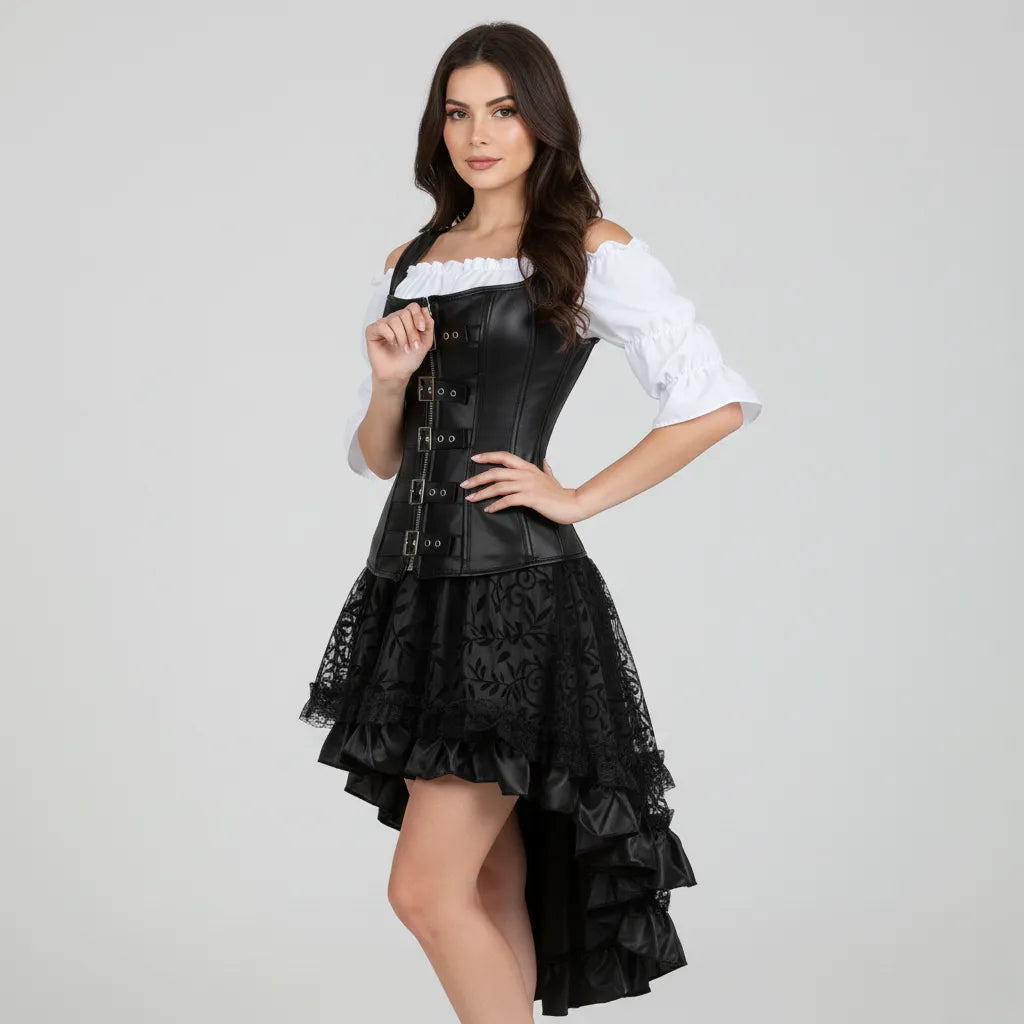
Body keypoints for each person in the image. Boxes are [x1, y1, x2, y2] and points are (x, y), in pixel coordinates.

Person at [299, 21, 762, 1022]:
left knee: (425, 893)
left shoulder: (586, 249)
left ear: (542, 120)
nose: (479, 134)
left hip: (514, 600)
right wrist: (391, 382)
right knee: (487, 883)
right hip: (412, 600)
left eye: (503, 111)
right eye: (459, 112)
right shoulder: (410, 260)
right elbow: (380, 455)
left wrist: (576, 495)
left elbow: (712, 401)